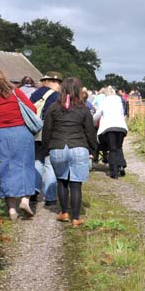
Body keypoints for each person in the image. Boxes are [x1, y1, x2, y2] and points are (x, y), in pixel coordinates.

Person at [41, 77, 99, 227]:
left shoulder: (53, 107)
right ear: (78, 91)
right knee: (76, 185)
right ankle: (75, 218)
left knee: (62, 181)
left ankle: (64, 212)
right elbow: (90, 132)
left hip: (58, 147)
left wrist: (46, 148)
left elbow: (46, 130)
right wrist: (93, 149)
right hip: (79, 148)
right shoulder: (84, 109)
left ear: (62, 90)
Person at [0, 68, 38, 220]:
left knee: (4, 169)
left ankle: (11, 210)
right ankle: (25, 200)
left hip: (0, 134)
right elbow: (32, 108)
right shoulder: (16, 92)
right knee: (25, 166)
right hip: (21, 132)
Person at [30, 71, 63, 207]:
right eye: (58, 82)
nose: (59, 85)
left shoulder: (34, 94)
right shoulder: (56, 96)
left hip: (35, 132)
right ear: (51, 82)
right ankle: (50, 198)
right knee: (50, 164)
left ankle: (33, 192)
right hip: (49, 132)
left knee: (37, 161)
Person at [93, 86, 129, 178]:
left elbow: (98, 114)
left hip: (109, 127)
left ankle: (114, 171)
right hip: (121, 127)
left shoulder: (105, 101)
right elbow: (122, 113)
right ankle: (121, 166)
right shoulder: (119, 101)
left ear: (106, 94)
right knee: (119, 147)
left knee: (112, 148)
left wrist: (92, 122)